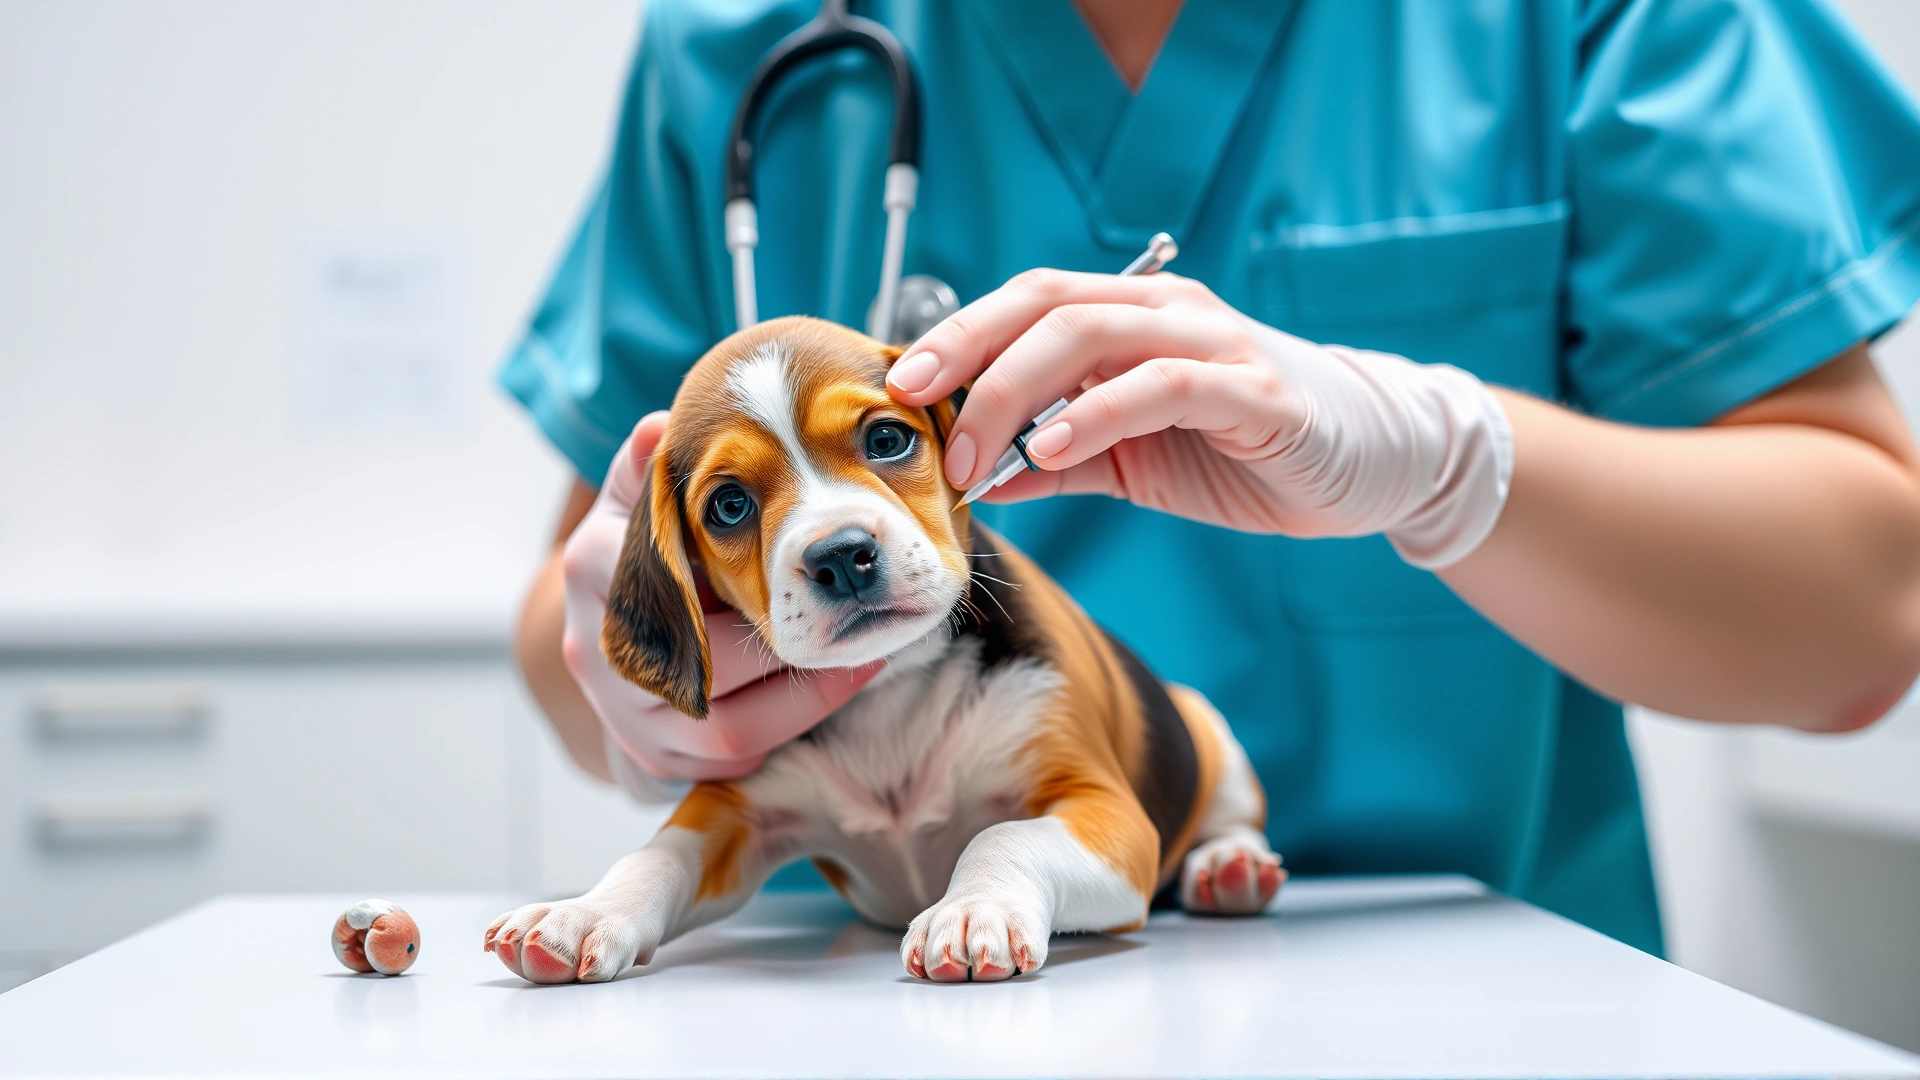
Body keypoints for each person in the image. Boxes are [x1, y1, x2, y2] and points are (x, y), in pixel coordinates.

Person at [499, 0, 1920, 954]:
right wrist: (629, 678)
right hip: (894, 999)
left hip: (1469, 996)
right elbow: (571, 640)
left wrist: (1442, 457)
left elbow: (1868, 614)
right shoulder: (748, 47)